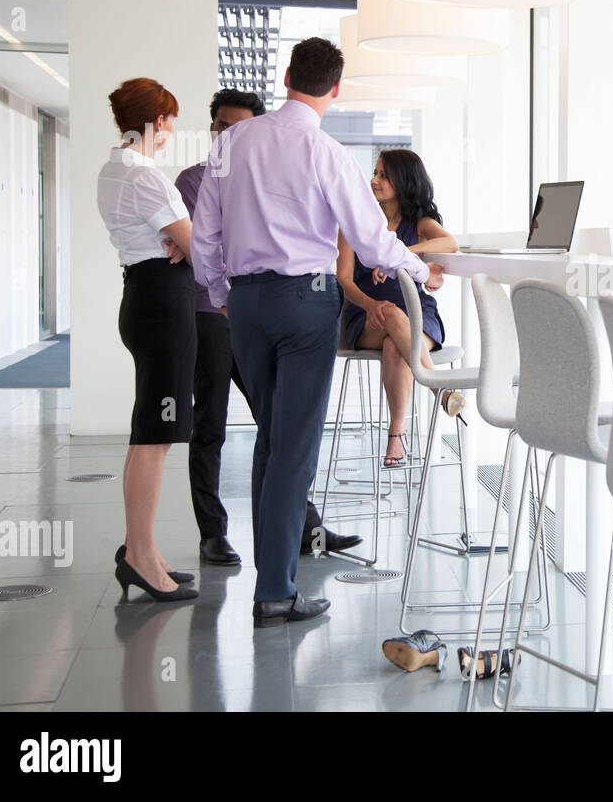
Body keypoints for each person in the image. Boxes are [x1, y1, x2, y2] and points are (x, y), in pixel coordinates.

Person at [191, 37, 445, 628]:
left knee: (270, 440)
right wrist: (416, 270)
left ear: (285, 77)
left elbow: (205, 233)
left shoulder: (230, 143)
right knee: (293, 449)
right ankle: (275, 592)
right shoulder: (327, 152)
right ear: (336, 89)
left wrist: (225, 295)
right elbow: (372, 240)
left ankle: (271, 578)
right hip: (304, 306)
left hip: (247, 305)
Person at [175, 90, 361, 566]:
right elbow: (202, 245)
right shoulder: (198, 176)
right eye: (219, 125)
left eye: (235, 125)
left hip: (253, 309)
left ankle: (301, 531)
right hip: (214, 314)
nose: (226, 134)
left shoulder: (276, 163)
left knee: (278, 428)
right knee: (211, 423)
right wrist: (222, 296)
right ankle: (213, 532)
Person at [96, 77, 198, 604]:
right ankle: (139, 557)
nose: (171, 131)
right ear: (156, 121)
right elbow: (195, 244)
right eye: (170, 121)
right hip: (162, 304)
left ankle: (145, 550)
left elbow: (182, 241)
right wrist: (189, 244)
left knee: (148, 434)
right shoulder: (146, 176)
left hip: (143, 296)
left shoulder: (113, 169)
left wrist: (184, 244)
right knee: (155, 439)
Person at [337, 149, 461, 467]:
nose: (375, 180)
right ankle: (440, 392)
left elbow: (450, 244)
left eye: (383, 175)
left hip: (418, 312)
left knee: (396, 344)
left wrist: (401, 251)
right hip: (367, 316)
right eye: (375, 173)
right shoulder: (358, 223)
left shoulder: (419, 223)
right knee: (391, 313)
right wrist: (369, 304)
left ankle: (396, 437)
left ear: (403, 180)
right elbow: (344, 280)